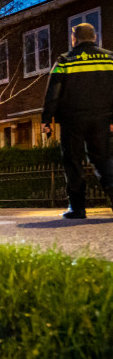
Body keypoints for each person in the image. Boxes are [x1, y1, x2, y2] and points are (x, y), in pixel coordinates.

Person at [41, 22, 113, 219]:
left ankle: (78, 207)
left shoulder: (64, 61)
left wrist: (46, 119)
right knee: (104, 159)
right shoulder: (110, 58)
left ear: (74, 39)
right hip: (101, 118)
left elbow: (53, 91)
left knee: (73, 161)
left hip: (72, 120)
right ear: (95, 37)